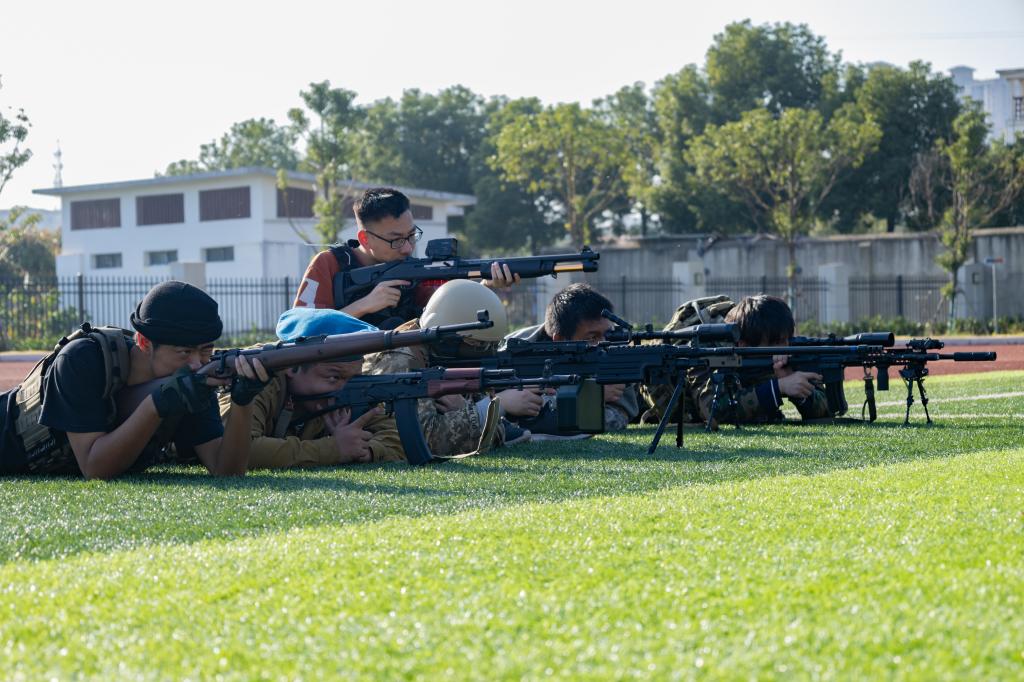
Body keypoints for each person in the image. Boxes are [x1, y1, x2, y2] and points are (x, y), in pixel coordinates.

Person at [0, 281, 269, 479]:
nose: (197, 363)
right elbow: (95, 468)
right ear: (143, 342)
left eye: (206, 351)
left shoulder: (191, 377)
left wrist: (242, 403)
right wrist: (155, 406)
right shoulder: (82, 359)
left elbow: (226, 471)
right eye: (184, 352)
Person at [362, 279, 542, 457]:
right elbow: (426, 441)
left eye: (492, 346)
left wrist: (471, 410)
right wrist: (495, 407)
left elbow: (497, 428)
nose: (487, 353)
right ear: (448, 341)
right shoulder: (401, 359)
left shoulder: (438, 353)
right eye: (478, 345)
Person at [292, 187, 518, 327]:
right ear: (365, 238)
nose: (408, 248)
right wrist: (364, 305)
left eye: (411, 235)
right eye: (396, 240)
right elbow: (298, 329)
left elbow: (447, 310)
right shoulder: (328, 264)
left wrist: (486, 286)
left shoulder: (413, 272)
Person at [216, 308, 405, 467]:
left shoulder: (351, 388)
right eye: (334, 377)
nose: (344, 388)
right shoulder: (254, 378)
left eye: (353, 377)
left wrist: (366, 451)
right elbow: (237, 450)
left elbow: (398, 438)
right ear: (291, 366)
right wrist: (334, 449)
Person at [503, 283, 639, 437]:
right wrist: (590, 395)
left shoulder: (614, 352)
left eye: (608, 334)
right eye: (592, 338)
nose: (603, 344)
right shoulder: (511, 354)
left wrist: (589, 396)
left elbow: (616, 417)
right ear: (560, 340)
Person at [685, 295, 830, 427]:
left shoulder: (790, 353)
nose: (785, 347)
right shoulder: (709, 353)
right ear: (744, 344)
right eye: (776, 342)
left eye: (787, 339)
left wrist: (798, 390)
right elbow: (712, 412)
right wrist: (777, 388)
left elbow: (826, 410)